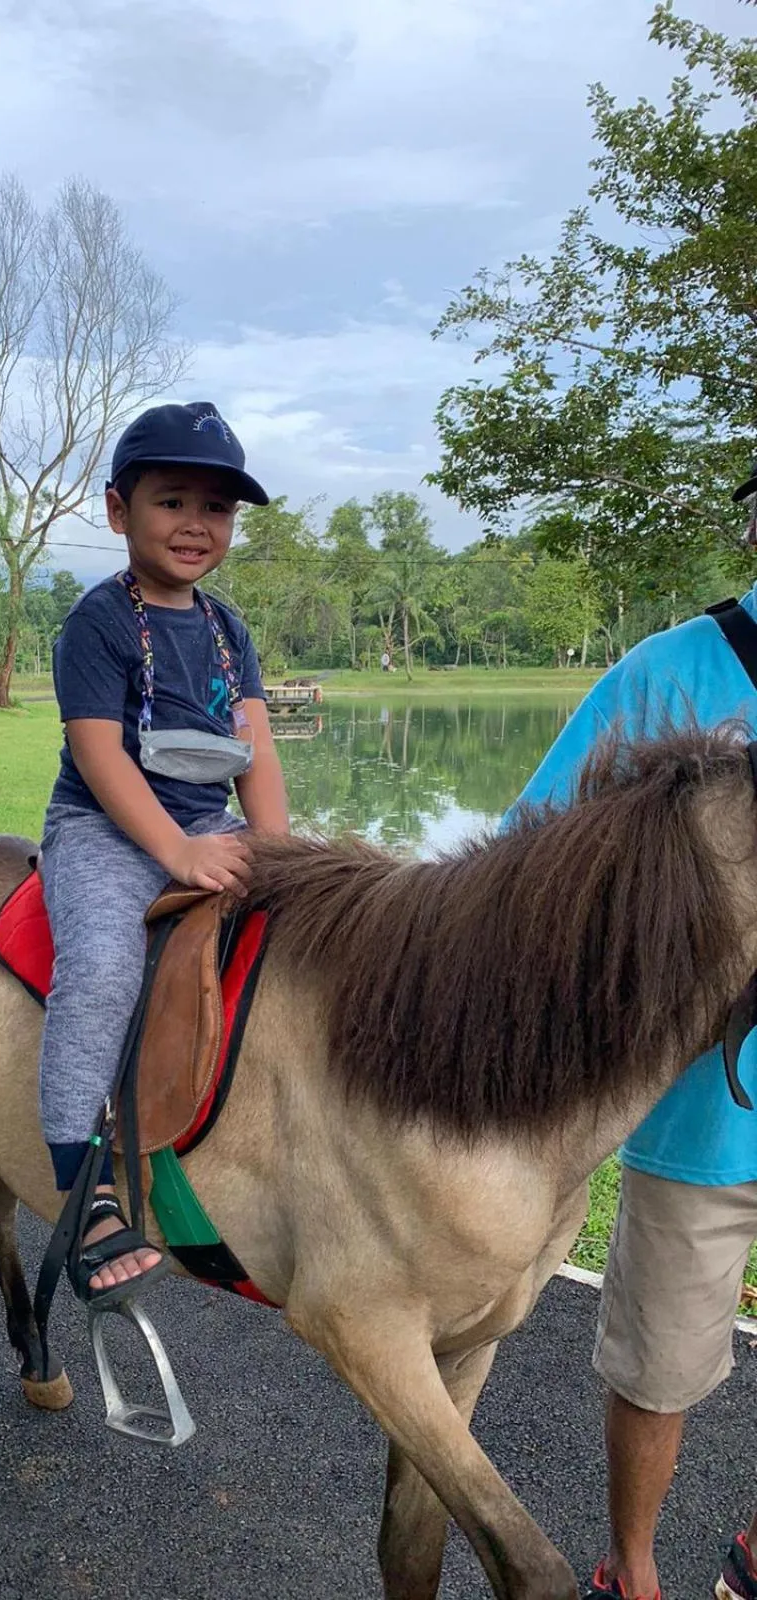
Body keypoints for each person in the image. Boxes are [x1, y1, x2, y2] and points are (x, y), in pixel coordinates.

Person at [511, 464, 757, 1600]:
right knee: (660, 1364)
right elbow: (527, 858)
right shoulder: (667, 674)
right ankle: (636, 1570)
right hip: (702, 1122)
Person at [39, 400, 290, 1309]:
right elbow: (101, 755)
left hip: (206, 826)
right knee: (103, 969)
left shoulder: (228, 630)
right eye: (172, 501)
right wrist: (177, 851)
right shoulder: (99, 621)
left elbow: (256, 751)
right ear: (119, 511)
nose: (196, 524)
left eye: (216, 508)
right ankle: (83, 1180)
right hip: (106, 831)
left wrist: (281, 857)